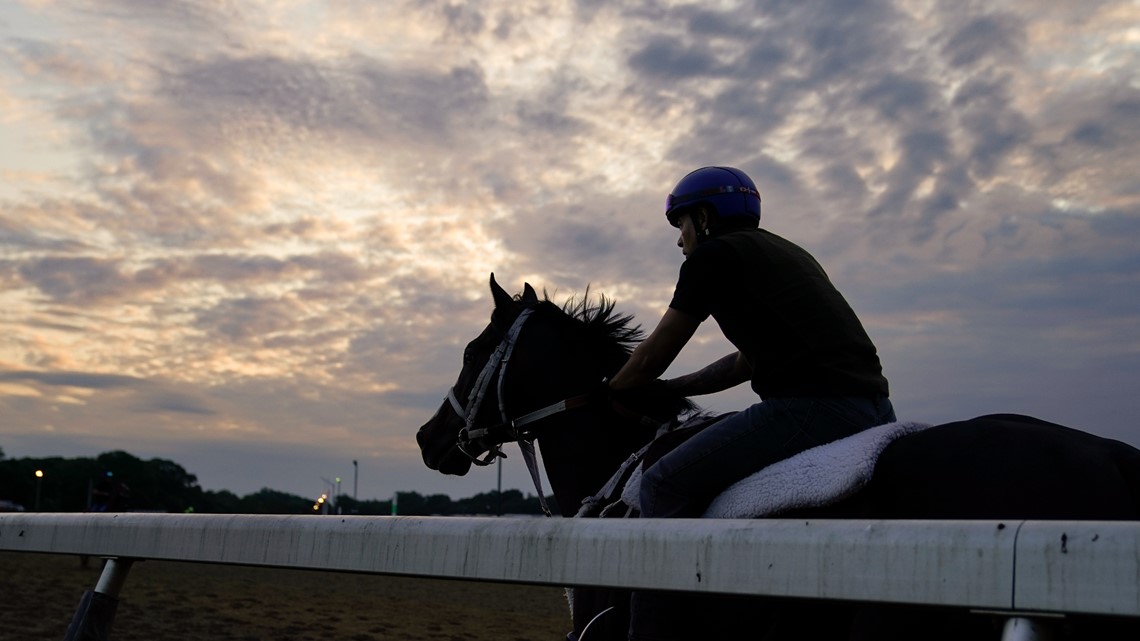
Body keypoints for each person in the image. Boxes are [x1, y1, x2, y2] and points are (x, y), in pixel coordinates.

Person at [606, 166, 895, 640]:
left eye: (681, 226)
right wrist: (677, 389)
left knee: (662, 486)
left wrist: (614, 388)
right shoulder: (787, 253)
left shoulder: (712, 257)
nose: (679, 242)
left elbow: (654, 352)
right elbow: (743, 362)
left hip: (812, 408)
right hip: (876, 409)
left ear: (702, 217)